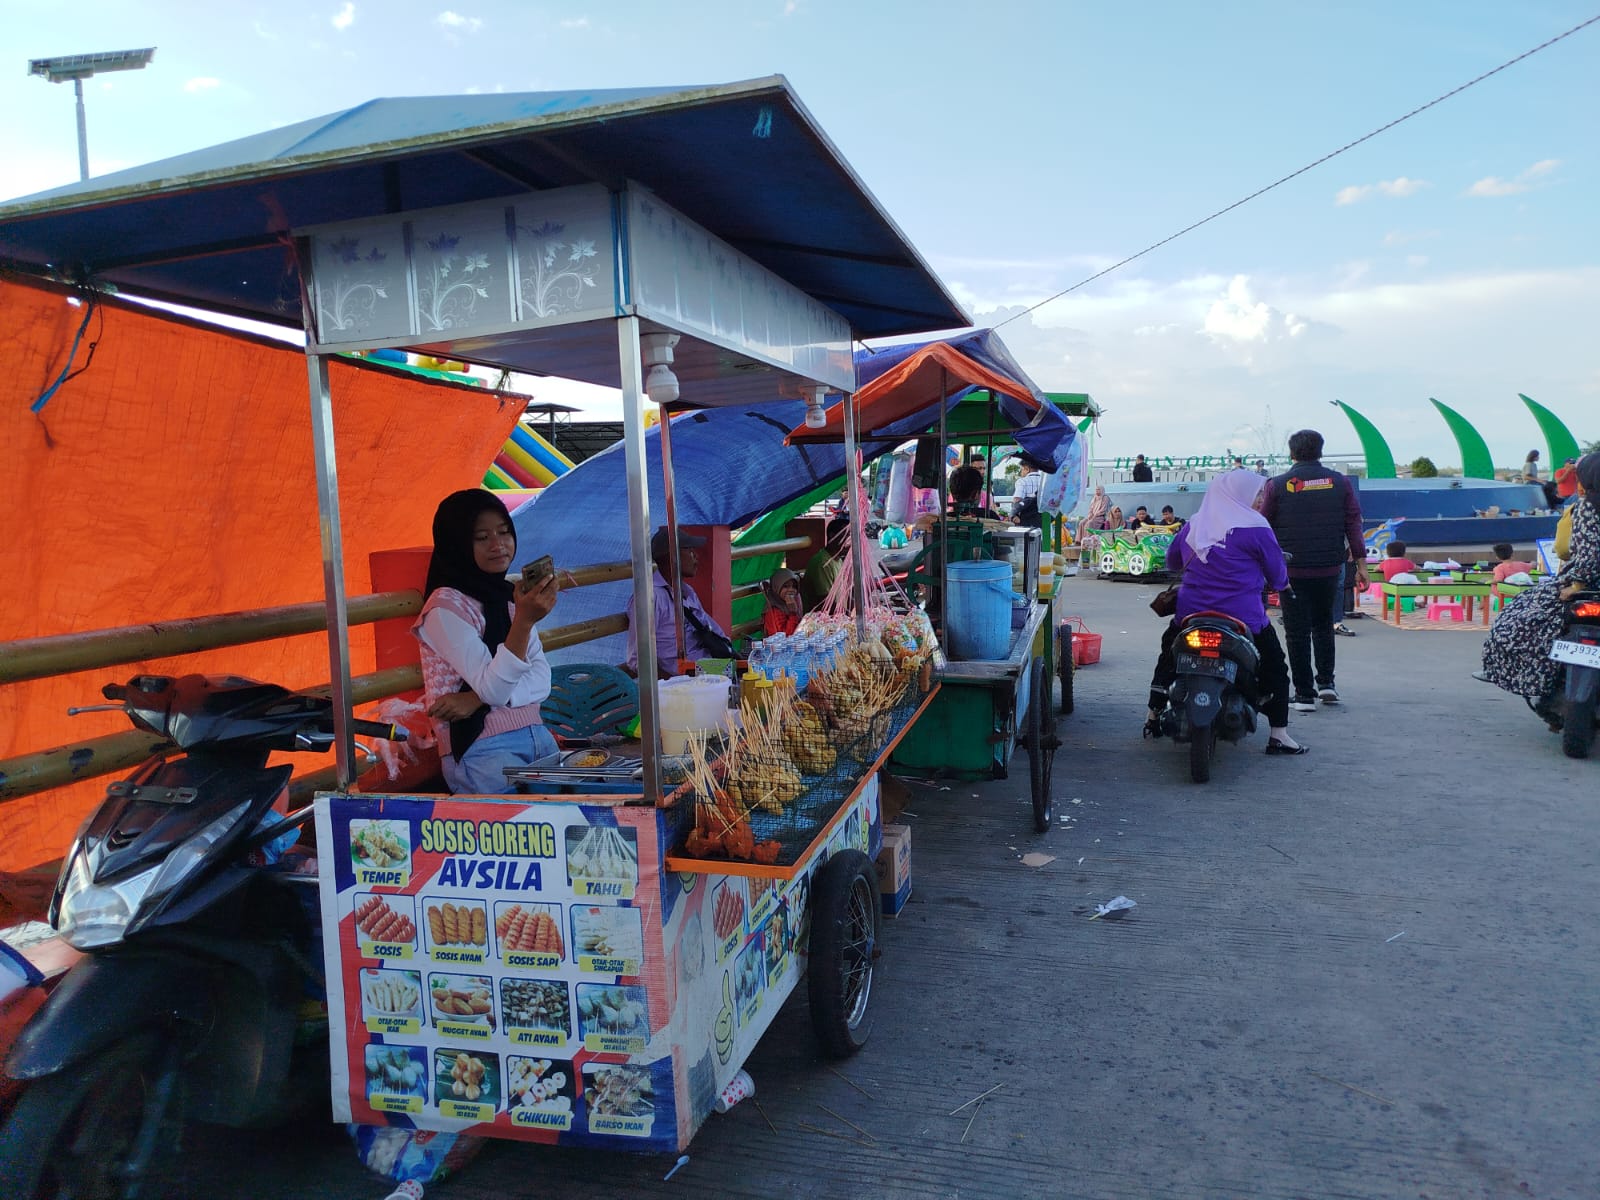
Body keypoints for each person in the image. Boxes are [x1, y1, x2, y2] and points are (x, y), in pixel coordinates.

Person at [1144, 469, 1305, 754]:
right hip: (1243, 618)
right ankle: (1279, 734)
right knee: (1275, 667)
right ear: (1239, 494)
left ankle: (1153, 716)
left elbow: (1172, 561)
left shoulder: (1194, 525)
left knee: (1168, 655)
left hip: (1191, 614)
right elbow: (1277, 572)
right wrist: (1283, 586)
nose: (1259, 500)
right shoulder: (1257, 527)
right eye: (1256, 494)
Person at [413, 489, 559, 794]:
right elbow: (494, 686)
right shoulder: (444, 608)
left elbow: (542, 679)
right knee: (513, 839)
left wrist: (476, 699)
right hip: (483, 749)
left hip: (537, 737)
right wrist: (524, 621)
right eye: (481, 537)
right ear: (458, 544)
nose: (498, 545)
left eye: (504, 532)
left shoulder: (509, 596)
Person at [1479, 453, 1600, 724]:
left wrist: (1576, 583)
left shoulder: (1586, 508)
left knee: (1517, 621)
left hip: (1585, 586)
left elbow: (1582, 553)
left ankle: (1511, 672)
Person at [1261, 430, 1364, 711]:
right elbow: (1353, 523)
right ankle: (1327, 685)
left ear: (1292, 453)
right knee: (1323, 626)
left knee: (1296, 631)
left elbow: (1263, 527)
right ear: (1320, 451)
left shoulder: (1278, 485)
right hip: (1330, 568)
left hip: (1291, 570)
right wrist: (1362, 565)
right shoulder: (1339, 483)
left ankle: (1305, 694)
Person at [626, 527, 732, 679]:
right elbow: (638, 659)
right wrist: (676, 684)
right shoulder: (650, 598)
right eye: (689, 550)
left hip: (702, 666)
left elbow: (713, 629)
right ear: (672, 557)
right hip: (680, 677)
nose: (695, 556)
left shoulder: (686, 591)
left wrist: (732, 654)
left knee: (754, 673)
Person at [761, 566, 804, 636]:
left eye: (794, 586)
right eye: (786, 586)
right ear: (776, 587)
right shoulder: (774, 609)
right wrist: (792, 613)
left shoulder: (795, 602)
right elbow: (784, 637)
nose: (791, 590)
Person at [1010, 455, 1046, 527]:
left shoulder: (1022, 481)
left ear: (1027, 469)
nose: (1021, 472)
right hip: (1043, 519)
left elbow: (1017, 499)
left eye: (1022, 469)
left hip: (1027, 520)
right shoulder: (1045, 482)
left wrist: (1013, 515)